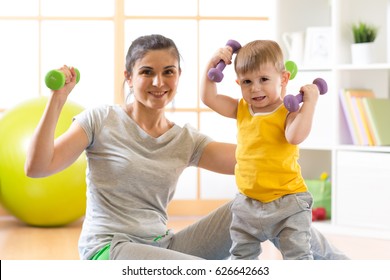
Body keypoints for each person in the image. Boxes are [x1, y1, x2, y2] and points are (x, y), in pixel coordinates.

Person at [25, 34, 347, 260]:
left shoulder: (184, 139)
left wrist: (279, 115)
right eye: (146, 72)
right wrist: (58, 99)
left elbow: (250, 158)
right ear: (129, 76)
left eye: (169, 72)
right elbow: (38, 167)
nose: (158, 82)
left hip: (166, 245)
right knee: (197, 272)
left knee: (257, 206)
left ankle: (339, 266)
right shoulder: (100, 120)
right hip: (111, 248)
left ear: (178, 76)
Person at [201, 40, 319, 260]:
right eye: (247, 81)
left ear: (283, 79)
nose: (255, 88)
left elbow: (295, 136)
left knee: (298, 256)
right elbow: (209, 98)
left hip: (287, 201)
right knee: (242, 258)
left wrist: (309, 104)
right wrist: (212, 63)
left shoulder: (288, 110)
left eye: (263, 79)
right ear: (238, 83)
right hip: (248, 202)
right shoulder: (242, 108)